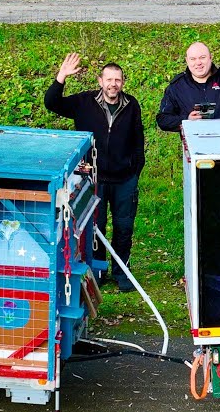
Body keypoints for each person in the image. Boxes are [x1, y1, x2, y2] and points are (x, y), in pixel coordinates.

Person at [44, 53, 145, 292]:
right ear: (100, 81)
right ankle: (97, 270)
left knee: (124, 227)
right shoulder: (84, 102)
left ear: (123, 82)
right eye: (108, 79)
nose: (113, 84)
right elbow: (52, 103)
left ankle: (122, 272)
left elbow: (138, 141)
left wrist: (135, 170)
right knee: (94, 227)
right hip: (93, 179)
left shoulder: (131, 105)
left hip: (124, 179)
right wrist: (61, 76)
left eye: (117, 80)